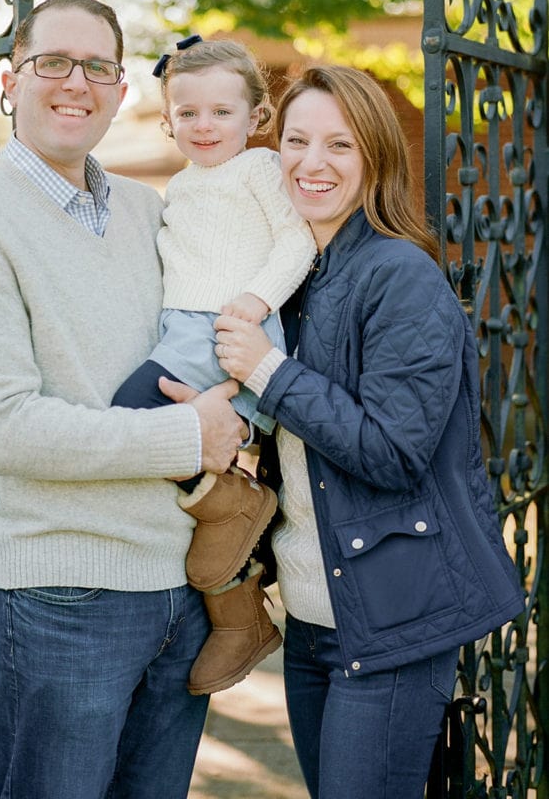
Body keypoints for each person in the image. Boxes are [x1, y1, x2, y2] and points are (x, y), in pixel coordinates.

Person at [0, 0, 249, 799]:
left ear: (121, 86)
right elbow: (3, 429)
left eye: (99, 66)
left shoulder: (147, 207)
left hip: (184, 593)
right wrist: (187, 438)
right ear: (11, 80)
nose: (77, 83)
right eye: (52, 63)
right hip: (66, 600)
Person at [213, 65, 525, 799]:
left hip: (389, 623)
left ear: (375, 158)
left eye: (339, 145)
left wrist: (267, 371)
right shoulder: (295, 278)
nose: (311, 163)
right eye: (296, 141)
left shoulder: (398, 276)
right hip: (312, 622)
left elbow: (392, 452)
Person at [111, 36, 316, 696]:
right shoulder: (180, 184)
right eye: (188, 112)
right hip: (182, 331)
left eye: (220, 113)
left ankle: (236, 515)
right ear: (168, 119)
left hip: (225, 331)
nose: (203, 126)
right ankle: (239, 605)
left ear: (257, 118)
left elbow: (296, 238)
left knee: (126, 423)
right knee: (180, 471)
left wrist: (255, 303)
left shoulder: (258, 169)